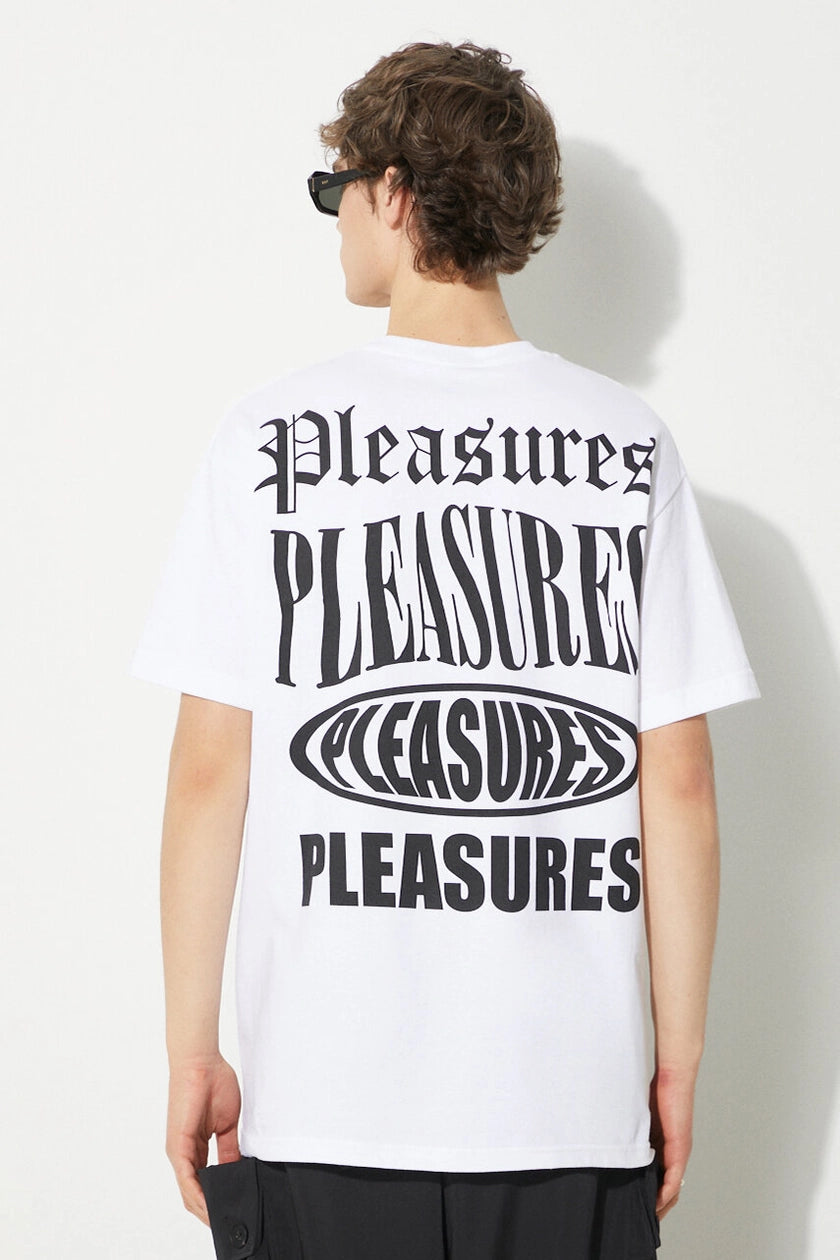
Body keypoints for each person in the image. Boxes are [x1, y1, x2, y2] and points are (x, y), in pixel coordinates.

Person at [129, 39, 760, 1260]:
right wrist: (675, 1059)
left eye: (335, 189)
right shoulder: (628, 445)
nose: (334, 220)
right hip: (568, 1103)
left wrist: (191, 1046)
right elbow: (676, 783)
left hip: (328, 1094)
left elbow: (211, 770)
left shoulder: (270, 439)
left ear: (394, 193)